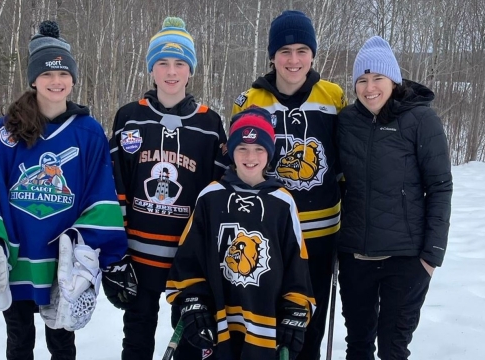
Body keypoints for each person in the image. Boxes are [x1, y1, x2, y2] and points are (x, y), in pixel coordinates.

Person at [0, 20, 128, 360]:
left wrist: (100, 251)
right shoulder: (7, 130)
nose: (56, 82)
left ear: (72, 79)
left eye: (63, 74)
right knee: (19, 338)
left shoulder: (88, 132)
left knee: (61, 343)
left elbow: (99, 195)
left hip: (61, 261)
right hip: (17, 257)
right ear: (33, 79)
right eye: (47, 74)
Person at [103, 16, 229, 360]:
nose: (171, 72)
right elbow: (116, 187)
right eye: (162, 62)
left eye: (179, 63)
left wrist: (209, 254)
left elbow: (217, 195)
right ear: (151, 68)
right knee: (137, 336)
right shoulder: (130, 117)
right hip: (140, 255)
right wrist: (116, 254)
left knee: (190, 342)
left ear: (191, 70)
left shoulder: (209, 123)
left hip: (186, 260)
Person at [231, 10, 346, 359]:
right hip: (269, 234)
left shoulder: (333, 97)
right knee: (269, 326)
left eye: (301, 50)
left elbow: (347, 163)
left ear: (312, 54)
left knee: (308, 329)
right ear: (272, 56)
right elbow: (237, 167)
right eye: (284, 51)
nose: (293, 60)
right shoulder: (251, 100)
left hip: (321, 235)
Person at [336, 36, 453, 360]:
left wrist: (431, 256)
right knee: (357, 346)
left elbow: (440, 185)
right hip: (354, 256)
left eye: (378, 79)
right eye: (362, 80)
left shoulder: (420, 120)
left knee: (392, 348)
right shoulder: (346, 122)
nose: (369, 88)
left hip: (406, 258)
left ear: (394, 80)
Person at [166, 107, 315, 360]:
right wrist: (192, 299)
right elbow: (189, 259)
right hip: (217, 320)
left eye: (259, 148)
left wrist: (295, 307)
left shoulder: (282, 201)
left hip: (263, 321)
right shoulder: (211, 196)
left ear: (269, 153)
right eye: (242, 148)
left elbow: (296, 263)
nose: (250, 156)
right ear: (231, 152)